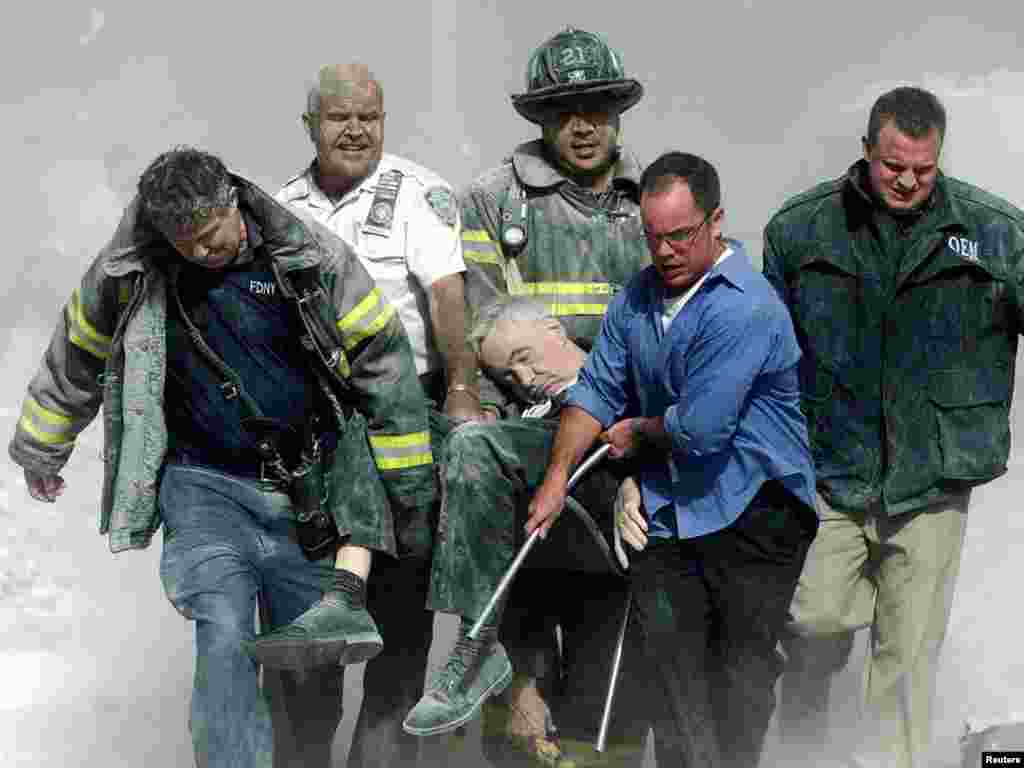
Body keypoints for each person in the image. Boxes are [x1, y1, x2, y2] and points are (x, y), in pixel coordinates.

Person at [8, 146, 436, 768]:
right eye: (188, 245)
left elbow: (383, 358)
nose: (205, 254)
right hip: (202, 487)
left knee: (308, 681)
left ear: (233, 203)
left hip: (306, 497)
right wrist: (42, 447)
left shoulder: (309, 257)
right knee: (225, 631)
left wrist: (407, 485)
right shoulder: (129, 270)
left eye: (213, 237)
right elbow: (76, 351)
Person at [405, 26, 654, 766]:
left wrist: (645, 447)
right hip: (530, 448)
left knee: (611, 686)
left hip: (630, 448)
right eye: (564, 109)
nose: (583, 124)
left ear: (618, 112)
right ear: (538, 119)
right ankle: (492, 666)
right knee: (519, 707)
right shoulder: (487, 200)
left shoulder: (657, 198)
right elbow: (478, 334)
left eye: (599, 107)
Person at [528, 151, 819, 767]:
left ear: (717, 222)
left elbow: (703, 430)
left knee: (738, 680)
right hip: (671, 511)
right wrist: (555, 480)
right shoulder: (636, 297)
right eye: (653, 236)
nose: (664, 251)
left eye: (681, 235)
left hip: (756, 512)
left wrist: (635, 433)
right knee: (673, 679)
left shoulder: (746, 305)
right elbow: (596, 391)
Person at [763, 85, 1024, 768]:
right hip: (829, 471)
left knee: (907, 655)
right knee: (811, 620)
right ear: (866, 153)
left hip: (934, 476)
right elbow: (763, 355)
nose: (907, 181)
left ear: (939, 158)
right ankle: (799, 750)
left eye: (923, 169)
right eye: (892, 166)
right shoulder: (801, 230)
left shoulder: (997, 232)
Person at [249, 61, 481, 768]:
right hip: (309, 445)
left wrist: (463, 394)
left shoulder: (421, 195)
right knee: (303, 638)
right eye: (338, 117)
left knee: (397, 637)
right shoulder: (277, 206)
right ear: (309, 125)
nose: (355, 130)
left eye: (370, 117)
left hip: (401, 432)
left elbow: (448, 302)